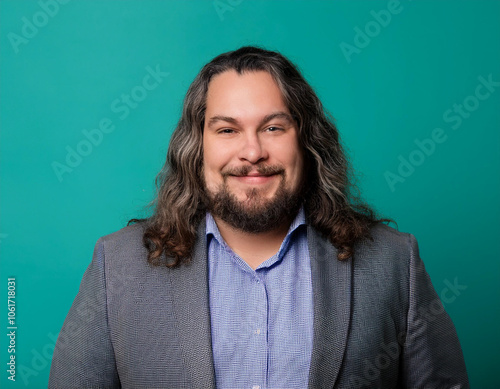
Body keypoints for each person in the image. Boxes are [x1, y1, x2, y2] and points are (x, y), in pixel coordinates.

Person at [49, 46, 469, 388]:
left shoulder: (393, 263)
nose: (252, 153)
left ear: (307, 142)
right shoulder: (117, 266)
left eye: (273, 128)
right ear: (197, 148)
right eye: (227, 130)